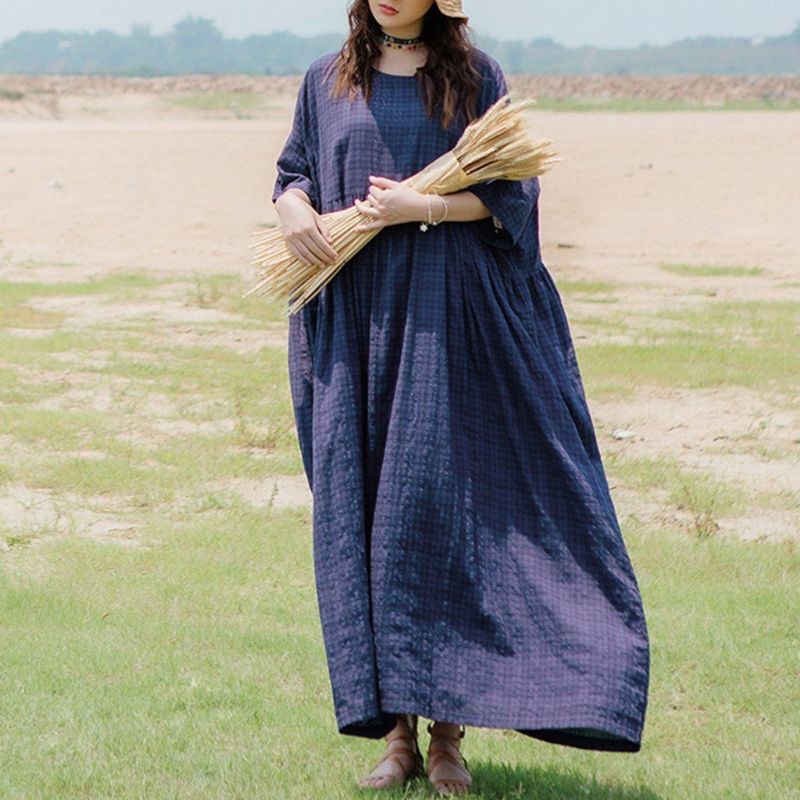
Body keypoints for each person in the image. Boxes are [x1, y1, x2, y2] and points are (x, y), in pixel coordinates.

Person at [271, 0, 651, 795]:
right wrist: (296, 212)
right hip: (354, 321)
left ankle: (448, 738)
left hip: (448, 323)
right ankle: (398, 738)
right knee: (369, 512)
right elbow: (293, 173)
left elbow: (512, 198)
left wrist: (425, 207)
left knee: (438, 512)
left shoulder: (477, 80)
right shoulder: (324, 81)